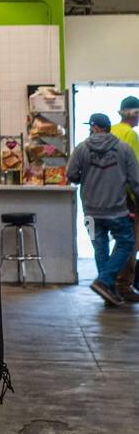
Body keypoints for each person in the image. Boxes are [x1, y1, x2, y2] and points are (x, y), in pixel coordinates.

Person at [67, 112, 139, 306]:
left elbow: (71, 174)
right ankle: (105, 282)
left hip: (89, 212)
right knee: (126, 243)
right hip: (117, 211)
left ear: (95, 127)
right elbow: (135, 181)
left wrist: (87, 175)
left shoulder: (81, 148)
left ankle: (107, 288)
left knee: (99, 248)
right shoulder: (124, 149)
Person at [110, 96, 139, 301]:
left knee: (120, 240)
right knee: (131, 241)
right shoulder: (130, 134)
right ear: (134, 114)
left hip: (110, 195)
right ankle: (124, 285)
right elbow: (134, 171)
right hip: (128, 196)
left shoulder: (111, 130)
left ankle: (111, 280)